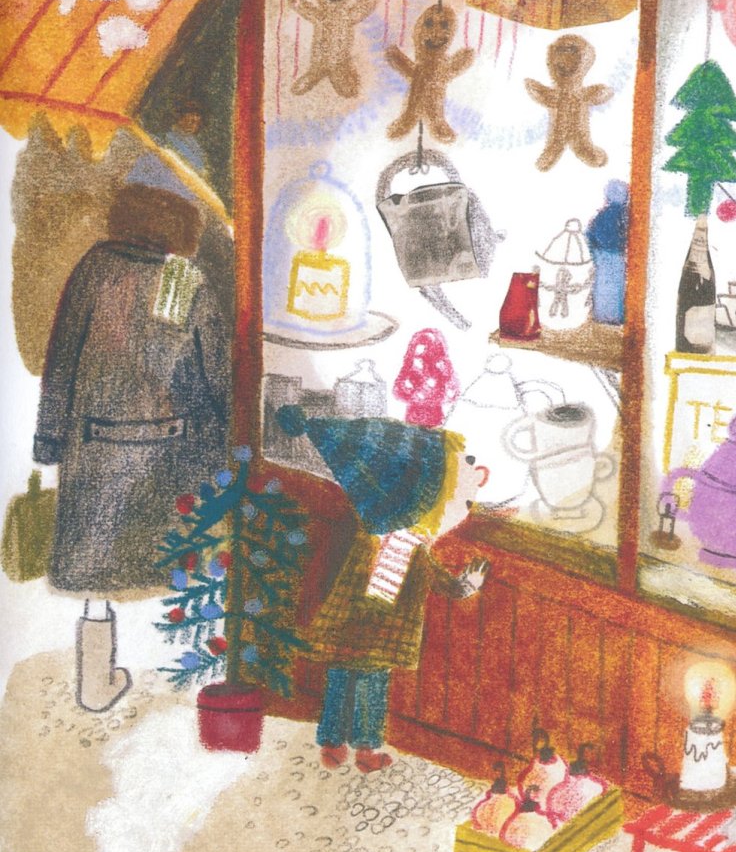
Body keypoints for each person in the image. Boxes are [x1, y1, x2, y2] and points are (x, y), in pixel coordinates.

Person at [34, 182, 230, 710]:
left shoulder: (94, 268)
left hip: (97, 445)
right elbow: (212, 367)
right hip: (168, 447)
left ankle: (95, 685)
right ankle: (189, 678)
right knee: (182, 560)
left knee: (97, 572)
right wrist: (229, 437)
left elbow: (62, 360)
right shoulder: (181, 276)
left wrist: (49, 437)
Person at [276, 408, 490, 773]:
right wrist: (466, 586)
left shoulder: (372, 525)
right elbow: (438, 581)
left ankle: (332, 743)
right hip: (379, 633)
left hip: (347, 624)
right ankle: (366, 748)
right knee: (370, 687)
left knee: (341, 680)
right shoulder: (409, 542)